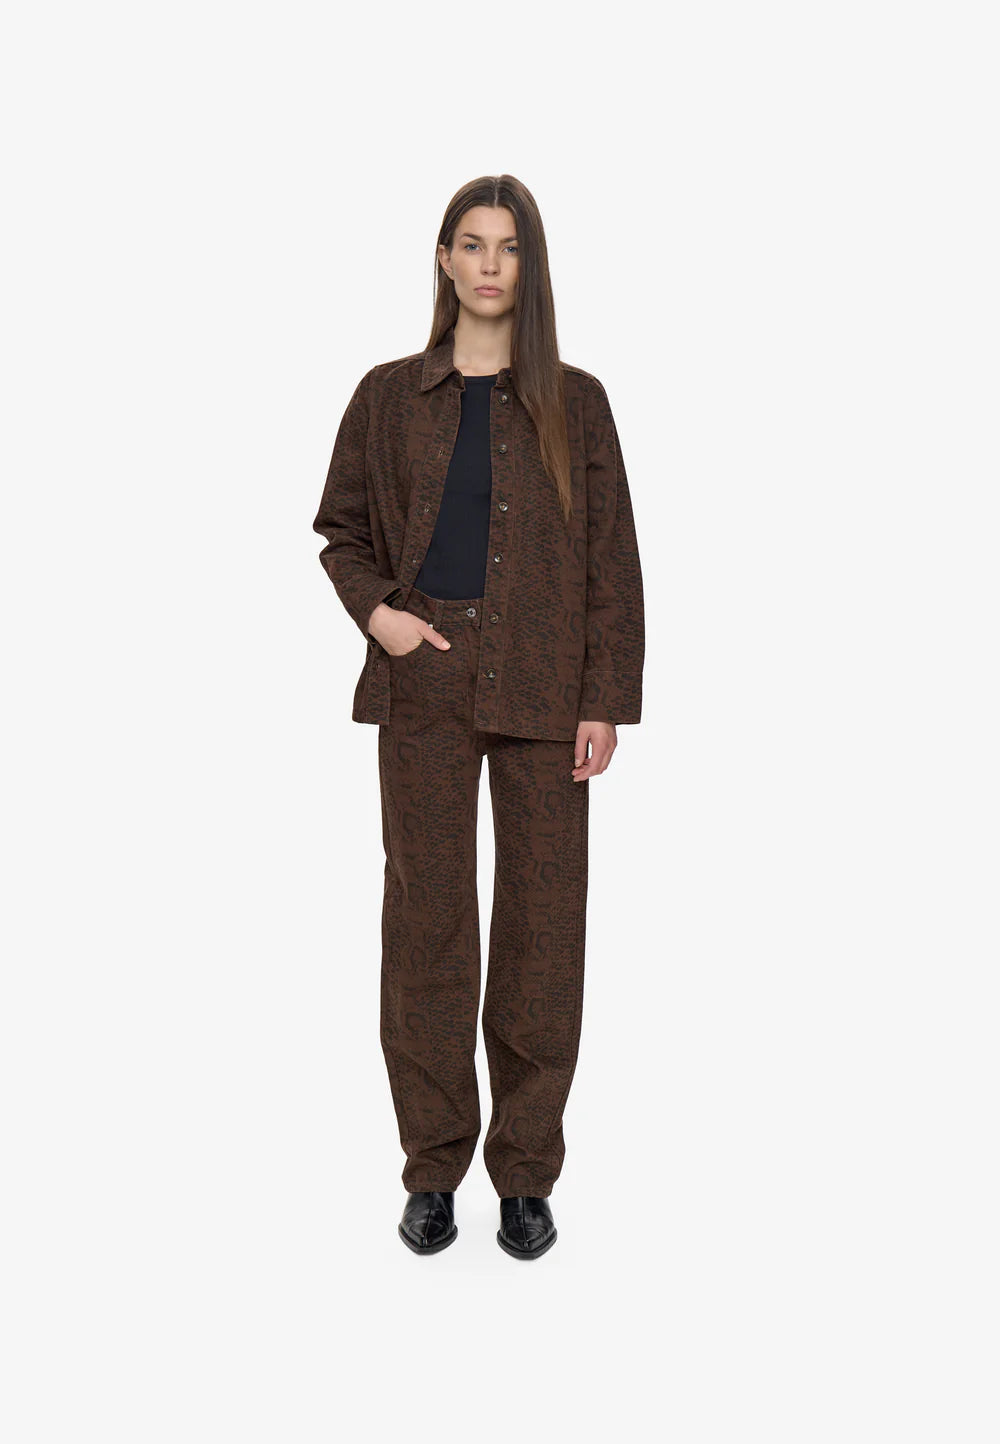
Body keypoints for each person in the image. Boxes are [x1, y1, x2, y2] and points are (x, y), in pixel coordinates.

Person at [312, 174, 645, 1260]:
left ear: (528, 266)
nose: (490, 263)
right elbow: (341, 530)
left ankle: (526, 1175)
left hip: (546, 682)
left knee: (544, 929)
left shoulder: (577, 403)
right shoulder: (385, 396)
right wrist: (382, 617)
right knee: (428, 923)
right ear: (445, 259)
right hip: (425, 679)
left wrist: (605, 699)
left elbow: (612, 559)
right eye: (472, 243)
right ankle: (432, 1168)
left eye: (508, 246)